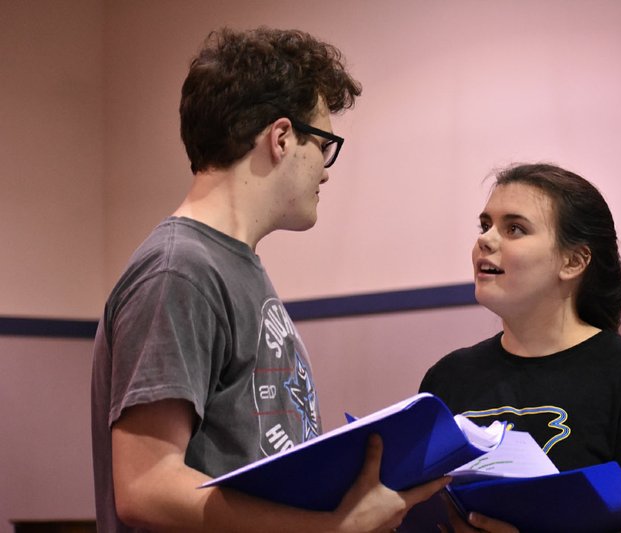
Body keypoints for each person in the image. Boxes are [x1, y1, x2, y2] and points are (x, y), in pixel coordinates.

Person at [91, 27, 448, 532]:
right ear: (282, 137)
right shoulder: (180, 270)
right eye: (323, 144)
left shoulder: (231, 264)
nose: (326, 171)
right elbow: (145, 486)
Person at [419, 163, 621, 532]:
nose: (486, 240)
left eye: (514, 228)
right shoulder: (447, 377)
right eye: (485, 225)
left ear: (573, 261)